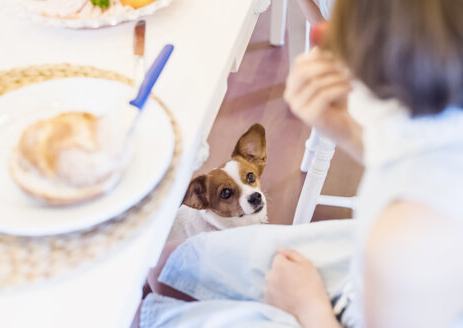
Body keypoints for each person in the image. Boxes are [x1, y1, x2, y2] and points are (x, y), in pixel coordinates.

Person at [138, 0, 463, 327]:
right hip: (362, 266)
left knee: (154, 302)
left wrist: (307, 305)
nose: (323, 30)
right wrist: (347, 132)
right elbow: (415, 168)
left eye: (343, 30)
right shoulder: (441, 129)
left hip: (337, 306)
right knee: (162, 265)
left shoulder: (414, 235)